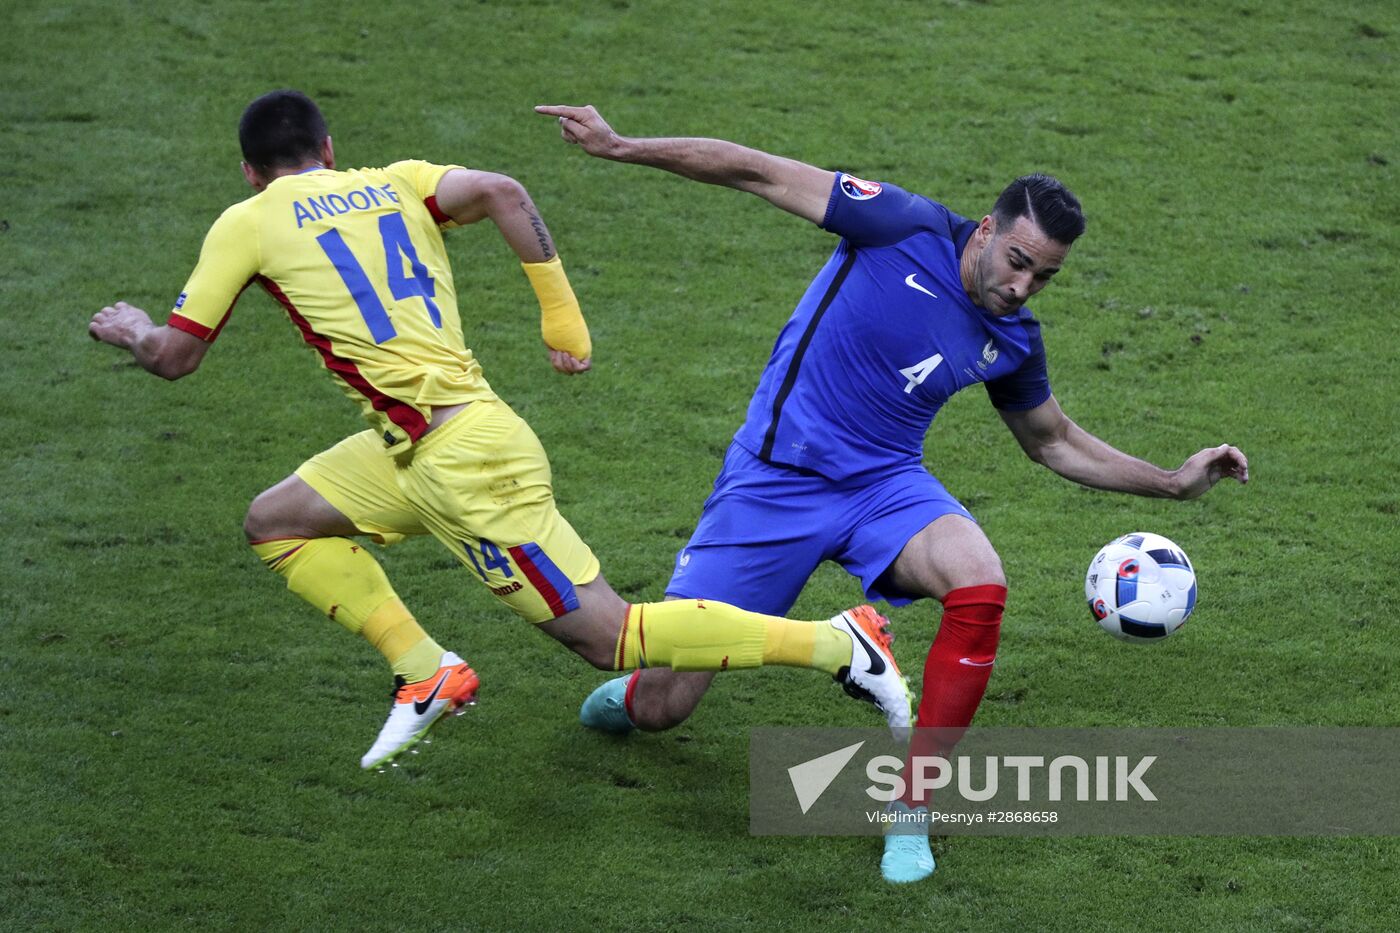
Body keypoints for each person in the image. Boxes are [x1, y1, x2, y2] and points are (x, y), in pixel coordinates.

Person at [87, 90, 915, 773]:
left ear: (250, 170)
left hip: (468, 465)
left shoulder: (247, 220)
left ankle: (836, 643)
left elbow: (175, 358)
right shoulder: (395, 179)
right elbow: (505, 192)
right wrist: (563, 318)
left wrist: (129, 329)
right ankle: (426, 672)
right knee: (276, 519)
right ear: (329, 148)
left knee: (611, 636)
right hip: (414, 447)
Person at [536, 103, 1249, 883]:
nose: (1022, 286)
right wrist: (620, 146)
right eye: (1016, 260)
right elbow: (757, 170)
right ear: (985, 228)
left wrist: (1172, 482)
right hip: (775, 481)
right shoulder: (897, 222)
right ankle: (638, 693)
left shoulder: (1014, 339)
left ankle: (914, 805)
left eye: (1044, 275)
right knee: (667, 707)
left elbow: (1052, 441)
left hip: (884, 482)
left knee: (981, 579)